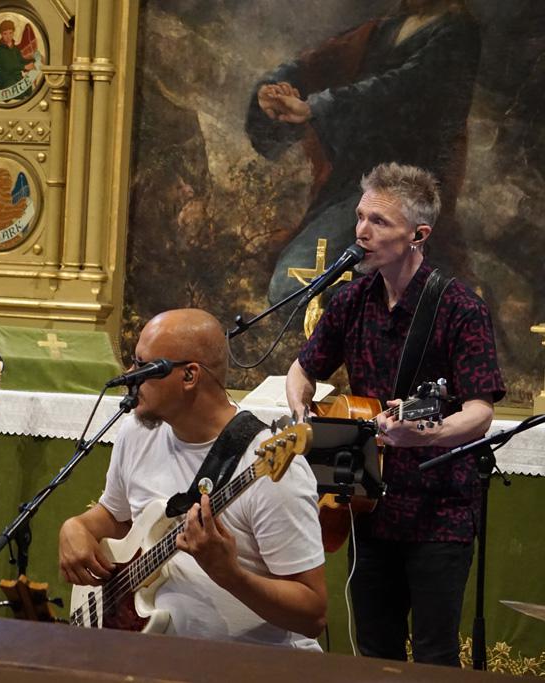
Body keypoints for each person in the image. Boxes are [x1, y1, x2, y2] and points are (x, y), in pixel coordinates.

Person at [286, 162, 506, 666]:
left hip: (438, 512)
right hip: (367, 505)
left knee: (433, 654)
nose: (361, 231)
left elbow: (479, 412)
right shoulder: (351, 300)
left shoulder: (460, 308)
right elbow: (302, 369)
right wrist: (302, 411)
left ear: (418, 235)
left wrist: (427, 435)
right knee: (374, 652)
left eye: (379, 221)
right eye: (360, 217)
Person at [59, 308, 327, 648]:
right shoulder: (137, 432)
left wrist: (231, 575)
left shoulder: (272, 469)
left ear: (189, 376)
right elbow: (115, 515)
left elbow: (312, 615)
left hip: (251, 664)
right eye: (132, 361)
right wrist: (78, 527)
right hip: (155, 659)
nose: (129, 376)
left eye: (144, 366)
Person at [246, 0, 481, 304]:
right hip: (354, 185)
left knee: (292, 287)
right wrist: (276, 88)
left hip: (405, 189)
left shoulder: (456, 32)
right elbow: (323, 60)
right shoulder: (389, 26)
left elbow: (398, 91)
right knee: (293, 286)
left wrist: (314, 107)